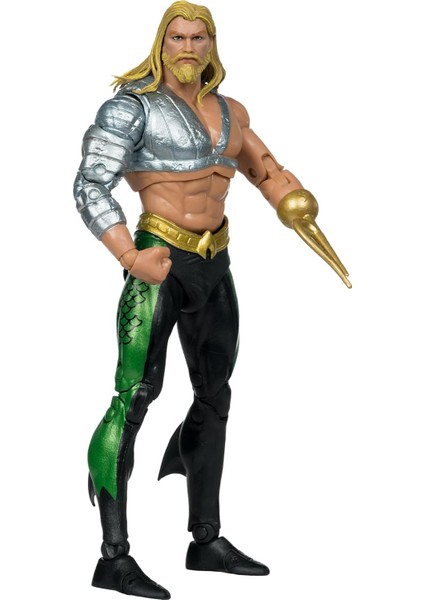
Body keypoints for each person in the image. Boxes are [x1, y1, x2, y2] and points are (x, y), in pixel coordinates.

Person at [74, 2, 350, 598]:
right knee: (134, 396)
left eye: (199, 36)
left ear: (212, 44)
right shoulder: (132, 108)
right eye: (177, 36)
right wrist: (129, 255)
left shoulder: (230, 112)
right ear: (161, 43)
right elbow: (89, 182)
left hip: (214, 262)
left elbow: (264, 168)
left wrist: (293, 199)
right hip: (158, 262)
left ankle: (205, 540)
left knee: (215, 396)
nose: (188, 46)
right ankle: (113, 556)